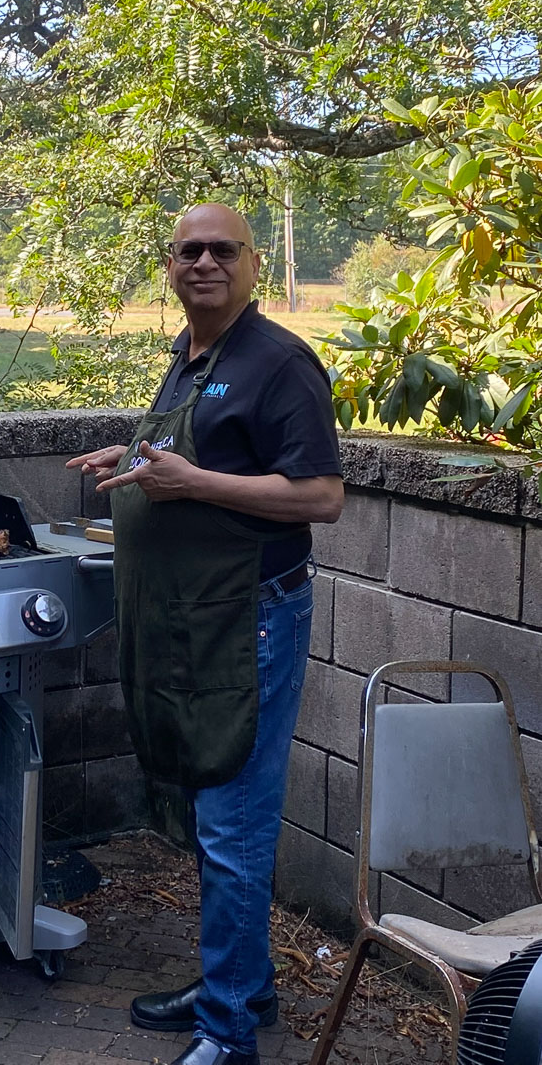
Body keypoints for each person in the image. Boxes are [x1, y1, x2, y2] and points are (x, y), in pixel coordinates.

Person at [66, 203, 343, 1065]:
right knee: (210, 808)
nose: (205, 263)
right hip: (193, 619)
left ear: (254, 264)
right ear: (170, 266)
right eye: (189, 251)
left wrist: (195, 484)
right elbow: (198, 457)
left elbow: (321, 497)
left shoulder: (280, 363)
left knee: (233, 821)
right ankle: (243, 987)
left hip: (248, 617)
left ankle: (228, 1035)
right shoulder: (189, 355)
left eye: (224, 249)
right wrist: (133, 458)